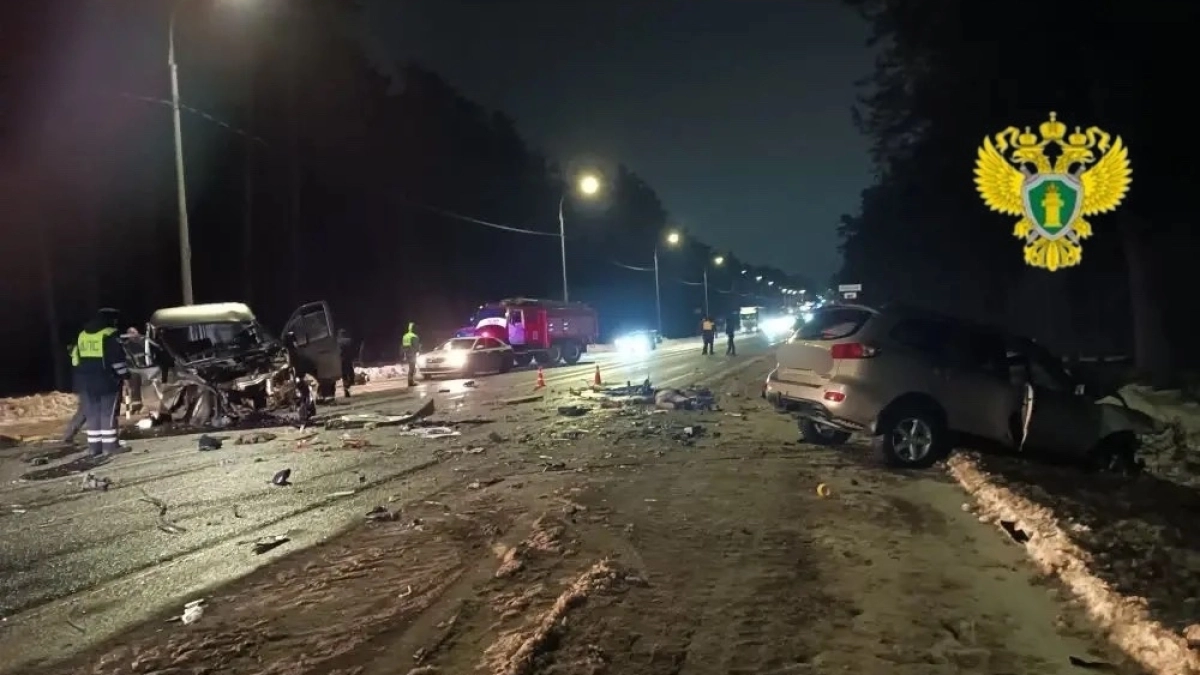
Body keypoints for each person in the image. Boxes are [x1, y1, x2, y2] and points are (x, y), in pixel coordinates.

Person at [73, 308, 129, 457]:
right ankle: (110, 447)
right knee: (107, 414)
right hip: (107, 382)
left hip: (87, 382)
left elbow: (76, 360)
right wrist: (126, 375)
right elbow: (118, 361)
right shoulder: (109, 335)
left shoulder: (82, 335)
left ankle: (94, 448)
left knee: (93, 414)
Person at [337, 329, 355, 397]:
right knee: (350, 374)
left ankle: (346, 388)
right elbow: (352, 350)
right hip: (348, 360)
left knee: (344, 376)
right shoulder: (349, 341)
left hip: (341, 361)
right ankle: (348, 386)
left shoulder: (337, 341)